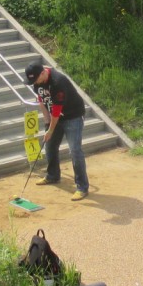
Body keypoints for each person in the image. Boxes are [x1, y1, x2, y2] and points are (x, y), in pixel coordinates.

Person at [25, 61, 89, 201]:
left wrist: (50, 130)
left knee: (75, 150)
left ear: (43, 73)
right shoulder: (37, 82)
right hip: (54, 117)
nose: (34, 82)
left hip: (73, 116)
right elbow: (41, 100)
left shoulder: (58, 82)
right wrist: (47, 122)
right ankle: (53, 175)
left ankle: (82, 187)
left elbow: (57, 111)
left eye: (35, 79)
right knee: (50, 146)